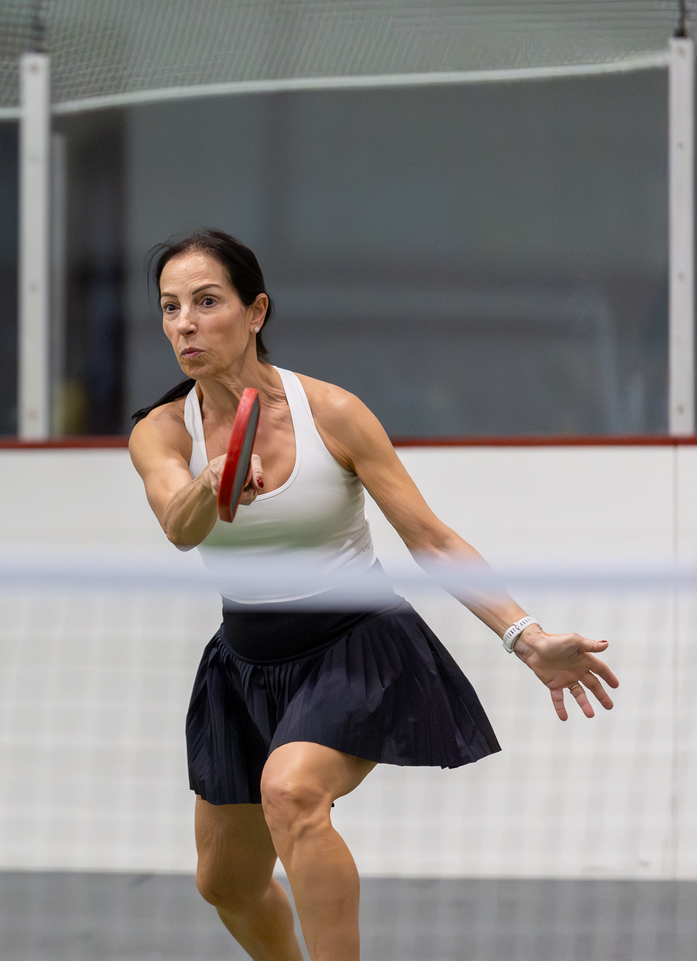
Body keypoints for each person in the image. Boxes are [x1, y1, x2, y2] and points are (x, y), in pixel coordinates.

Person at [126, 230, 619, 961]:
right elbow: (178, 524)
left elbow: (431, 538)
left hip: (354, 646)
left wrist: (525, 635)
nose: (185, 324)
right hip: (244, 663)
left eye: (206, 301)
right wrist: (214, 479)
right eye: (170, 308)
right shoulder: (161, 432)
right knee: (225, 883)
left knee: (293, 792)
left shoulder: (333, 413)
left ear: (255, 311)